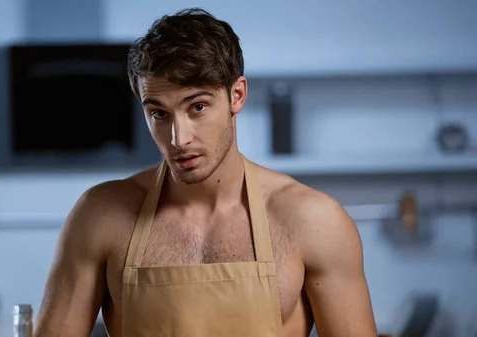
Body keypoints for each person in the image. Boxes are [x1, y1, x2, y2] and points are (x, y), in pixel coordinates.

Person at [34, 8, 378, 337]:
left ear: (237, 95)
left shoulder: (312, 220)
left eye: (197, 107)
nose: (178, 138)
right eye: (159, 114)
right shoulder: (101, 215)